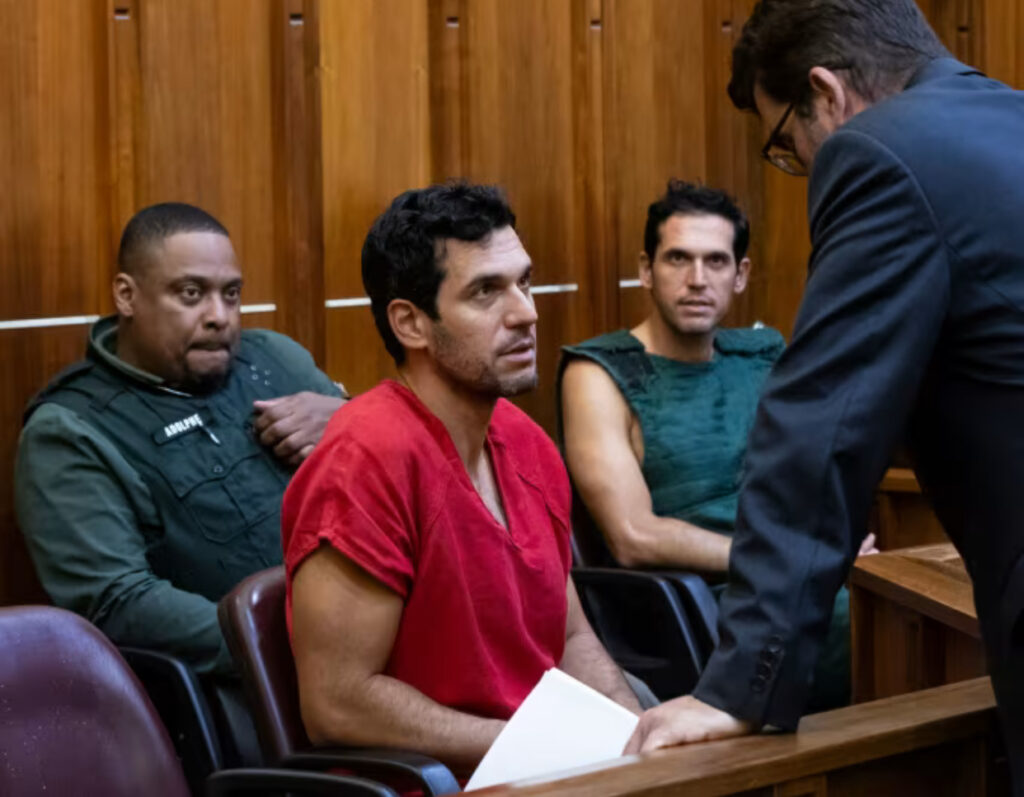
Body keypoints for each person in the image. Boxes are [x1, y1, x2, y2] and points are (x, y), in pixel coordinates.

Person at [624, 1, 1024, 789]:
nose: (800, 165)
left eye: (784, 144)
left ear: (826, 93)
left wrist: (740, 685)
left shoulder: (881, 152)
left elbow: (822, 427)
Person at [283, 182, 641, 775]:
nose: (525, 313)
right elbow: (338, 705)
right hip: (443, 781)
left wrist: (637, 744)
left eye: (524, 282)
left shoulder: (526, 440)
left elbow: (571, 639)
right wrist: (539, 747)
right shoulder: (363, 459)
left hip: (547, 765)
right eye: (485, 292)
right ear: (411, 324)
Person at [559, 180, 868, 710]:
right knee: (876, 629)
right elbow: (634, 536)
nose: (697, 279)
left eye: (716, 261)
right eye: (678, 258)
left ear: (740, 275)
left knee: (914, 612)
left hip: (798, 571)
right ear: (646, 270)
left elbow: (818, 465)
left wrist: (834, 544)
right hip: (704, 600)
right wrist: (787, 559)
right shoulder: (599, 372)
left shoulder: (760, 355)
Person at [15, 202, 345, 675]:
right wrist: (293, 641)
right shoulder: (71, 430)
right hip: (257, 681)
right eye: (191, 294)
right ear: (127, 296)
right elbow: (118, 603)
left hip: (377, 629)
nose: (219, 316)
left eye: (231, 294)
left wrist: (350, 419)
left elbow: (400, 474)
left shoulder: (275, 358)